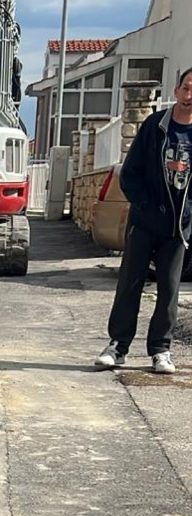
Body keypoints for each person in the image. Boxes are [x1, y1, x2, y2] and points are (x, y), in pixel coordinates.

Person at [95, 69, 192, 375]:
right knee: (130, 283)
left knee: (169, 290)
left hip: (178, 228)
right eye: (186, 88)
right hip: (145, 222)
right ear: (176, 90)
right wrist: (145, 206)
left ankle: (161, 350)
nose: (189, 96)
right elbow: (130, 173)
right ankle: (117, 346)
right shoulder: (155, 126)